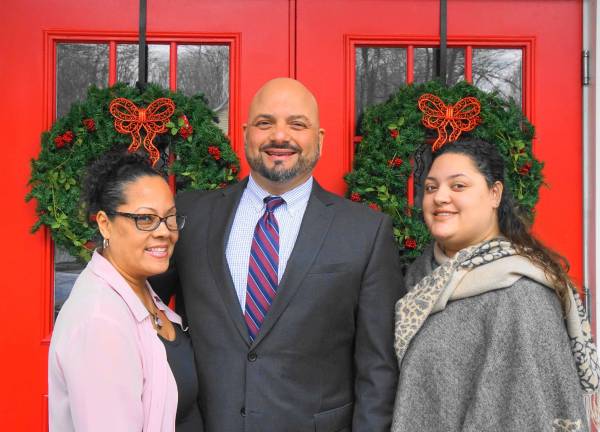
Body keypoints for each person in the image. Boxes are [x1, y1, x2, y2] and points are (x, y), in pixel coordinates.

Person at [151, 77, 402, 431]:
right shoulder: (191, 215)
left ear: (319, 139)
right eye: (265, 123)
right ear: (244, 133)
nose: (279, 136)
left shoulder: (366, 232)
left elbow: (377, 369)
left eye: (297, 124)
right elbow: (142, 309)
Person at [392, 138, 599, 431]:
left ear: (494, 193)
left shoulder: (524, 297)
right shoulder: (418, 279)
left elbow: (531, 414)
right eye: (430, 187)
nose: (439, 197)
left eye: (458, 186)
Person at [48, 152, 203, 432]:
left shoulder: (141, 290)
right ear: (105, 224)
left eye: (170, 218)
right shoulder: (100, 322)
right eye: (145, 219)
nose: (164, 232)